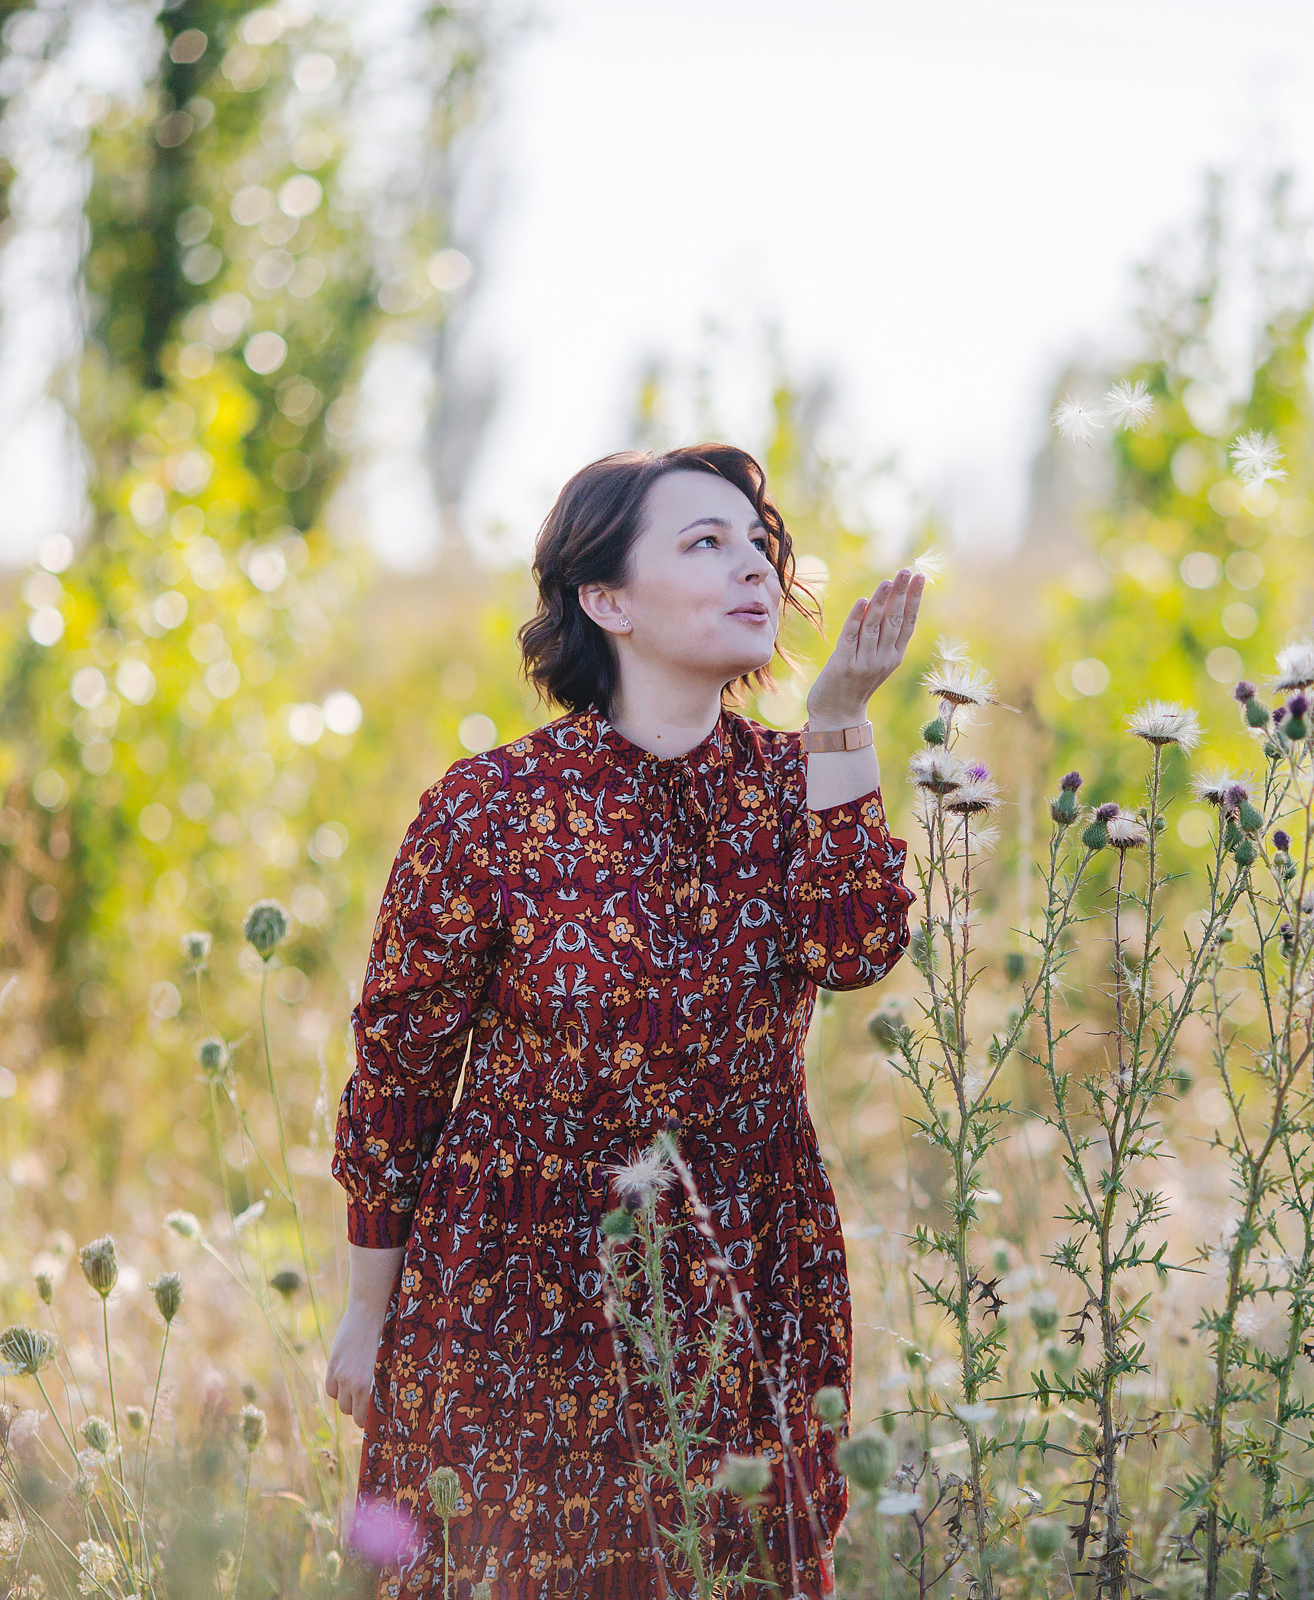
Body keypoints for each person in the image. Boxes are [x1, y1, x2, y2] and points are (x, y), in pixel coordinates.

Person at [323, 442, 922, 1597]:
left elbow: (856, 948)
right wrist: (366, 1310)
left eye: (758, 543)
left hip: (742, 1272)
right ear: (606, 599)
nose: (753, 566)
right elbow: (399, 1077)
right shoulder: (489, 809)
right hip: (521, 1286)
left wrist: (842, 717)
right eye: (705, 542)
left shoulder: (793, 780)